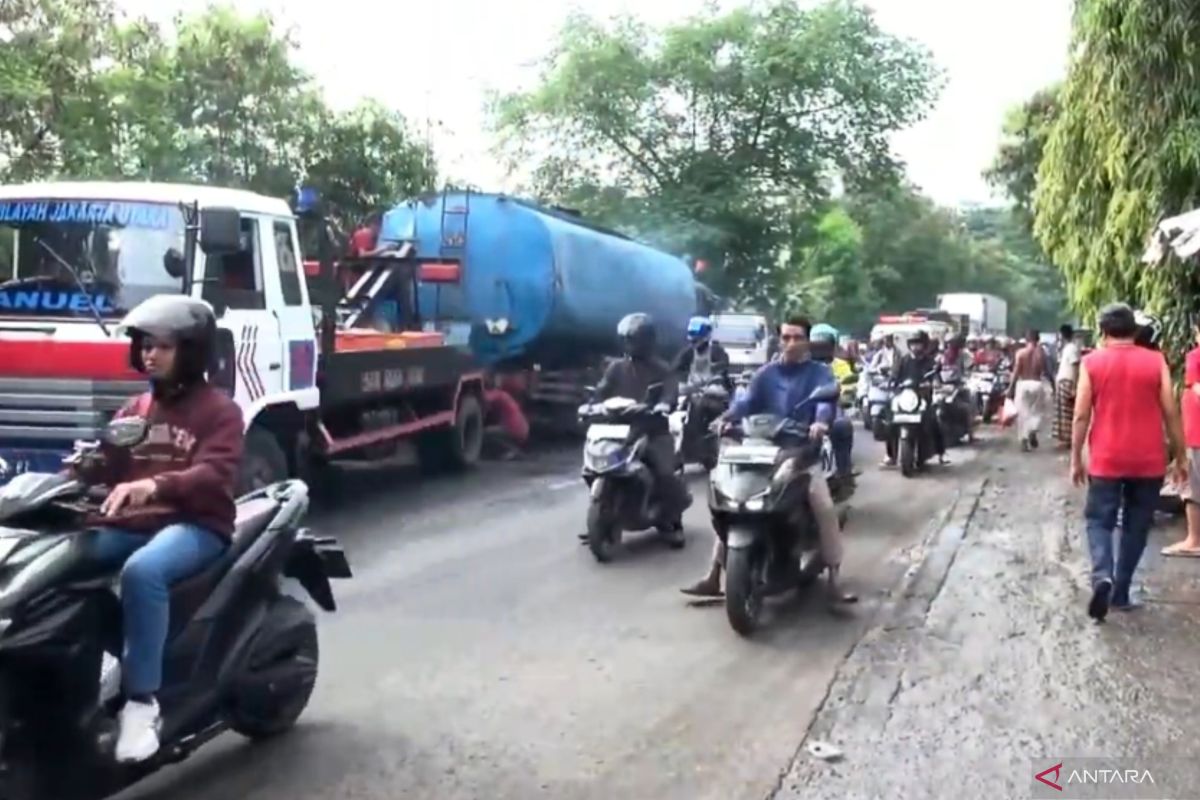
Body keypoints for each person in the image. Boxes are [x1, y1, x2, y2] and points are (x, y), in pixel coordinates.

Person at [70, 295, 243, 763]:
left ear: (190, 351)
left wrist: (156, 484)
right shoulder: (134, 409)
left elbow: (215, 473)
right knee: (60, 559)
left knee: (143, 573)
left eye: (162, 346)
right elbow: (105, 465)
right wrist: (81, 468)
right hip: (131, 523)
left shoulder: (219, 411)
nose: (150, 354)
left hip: (195, 525)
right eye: (145, 345)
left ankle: (142, 704)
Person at [681, 315, 855, 605]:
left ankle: (835, 580)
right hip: (763, 450)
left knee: (823, 506)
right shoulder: (766, 373)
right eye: (785, 337)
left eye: (797, 337)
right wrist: (726, 419)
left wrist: (821, 423)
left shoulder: (819, 374)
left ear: (807, 340)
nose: (791, 343)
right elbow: (746, 402)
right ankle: (713, 575)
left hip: (801, 453)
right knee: (737, 502)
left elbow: (826, 404)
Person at [1071, 303, 1187, 620]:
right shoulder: (1155, 360)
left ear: (1103, 331)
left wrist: (1076, 458)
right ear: (1133, 330)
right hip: (1148, 459)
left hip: (1106, 459)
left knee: (1099, 521)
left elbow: (1081, 415)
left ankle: (1102, 576)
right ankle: (1120, 592)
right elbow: (1171, 411)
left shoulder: (1092, 362)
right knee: (1136, 525)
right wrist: (1180, 456)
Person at [593, 313, 689, 544]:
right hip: (621, 431)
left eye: (633, 339)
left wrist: (664, 404)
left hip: (653, 431)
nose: (629, 345)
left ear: (646, 340)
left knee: (665, 473)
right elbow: (602, 390)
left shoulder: (662, 369)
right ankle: (605, 516)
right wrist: (589, 405)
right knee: (595, 464)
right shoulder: (616, 368)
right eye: (626, 340)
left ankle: (671, 520)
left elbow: (670, 391)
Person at [882, 329, 946, 468]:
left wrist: (934, 383)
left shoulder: (930, 362)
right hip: (904, 397)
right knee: (889, 422)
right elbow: (894, 375)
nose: (916, 347)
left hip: (922, 398)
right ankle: (890, 455)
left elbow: (936, 377)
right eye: (913, 343)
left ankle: (940, 453)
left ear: (924, 345)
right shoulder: (902, 360)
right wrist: (891, 383)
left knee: (934, 422)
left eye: (919, 344)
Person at [1164, 317, 1200, 558]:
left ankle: (1194, 540)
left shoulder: (1195, 356)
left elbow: (1198, 389)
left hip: (1197, 434)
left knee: (1193, 488)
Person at [810, 323, 856, 481]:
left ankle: (844, 472)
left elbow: (849, 386)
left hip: (833, 410)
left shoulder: (841, 365)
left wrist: (845, 394)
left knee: (842, 426)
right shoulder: (803, 366)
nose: (820, 350)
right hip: (802, 411)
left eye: (825, 346)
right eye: (816, 346)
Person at [1009, 330, 1048, 451]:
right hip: (1037, 383)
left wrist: (1010, 387)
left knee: (1023, 414)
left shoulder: (1020, 353)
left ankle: (1024, 440)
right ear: (1038, 340)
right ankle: (1032, 430)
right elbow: (1047, 371)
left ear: (1026, 339)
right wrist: (1053, 385)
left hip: (1023, 384)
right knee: (1036, 412)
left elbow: (1016, 372)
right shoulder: (1041, 353)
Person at [672, 315, 732, 390]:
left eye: (696, 341)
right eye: (692, 341)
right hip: (692, 388)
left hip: (712, 388)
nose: (693, 344)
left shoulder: (716, 351)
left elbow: (723, 367)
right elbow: (675, 368)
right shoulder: (688, 352)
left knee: (714, 390)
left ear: (705, 338)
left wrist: (716, 372)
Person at [1053, 324, 1082, 448]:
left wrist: (1074, 387)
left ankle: (1070, 440)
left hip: (1067, 382)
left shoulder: (1071, 349)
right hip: (1064, 382)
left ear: (1062, 335)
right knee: (1063, 413)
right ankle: (1065, 439)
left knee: (1067, 413)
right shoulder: (1067, 348)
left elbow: (1075, 366)